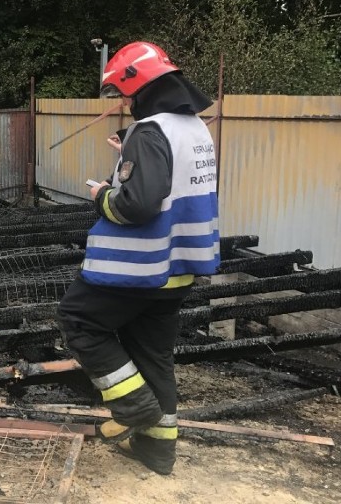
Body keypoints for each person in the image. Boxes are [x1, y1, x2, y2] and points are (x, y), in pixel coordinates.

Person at [58, 41, 218, 476]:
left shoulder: (150, 132)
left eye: (125, 93)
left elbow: (138, 206)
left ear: (141, 87)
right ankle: (157, 452)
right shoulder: (193, 128)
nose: (125, 103)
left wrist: (102, 195)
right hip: (178, 270)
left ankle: (134, 407)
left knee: (79, 320)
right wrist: (127, 157)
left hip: (139, 269)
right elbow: (171, 178)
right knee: (153, 355)